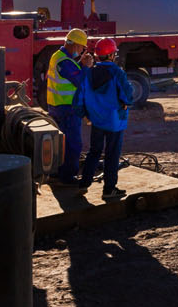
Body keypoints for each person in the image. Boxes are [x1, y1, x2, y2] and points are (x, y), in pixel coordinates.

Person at [77, 38, 133, 198]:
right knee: (112, 154)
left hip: (96, 120)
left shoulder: (89, 72)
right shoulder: (117, 72)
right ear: (110, 55)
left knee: (94, 151)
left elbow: (79, 96)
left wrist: (84, 114)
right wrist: (126, 103)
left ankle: (84, 183)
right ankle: (109, 190)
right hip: (115, 121)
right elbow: (127, 95)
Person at [45, 28, 92, 183]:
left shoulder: (58, 56)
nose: (82, 51)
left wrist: (80, 64)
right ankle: (67, 177)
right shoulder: (64, 61)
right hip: (67, 109)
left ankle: (57, 171)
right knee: (73, 144)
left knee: (59, 143)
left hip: (56, 106)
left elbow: (69, 72)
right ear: (76, 45)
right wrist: (86, 66)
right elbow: (80, 81)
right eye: (82, 47)